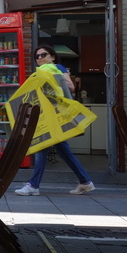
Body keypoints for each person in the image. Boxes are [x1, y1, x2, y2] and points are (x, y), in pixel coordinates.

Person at [15, 44, 96, 196]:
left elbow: (70, 86)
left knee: (41, 146)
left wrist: (52, 80)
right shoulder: (41, 72)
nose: (40, 58)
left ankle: (33, 185)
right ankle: (85, 182)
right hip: (49, 115)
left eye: (43, 54)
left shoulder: (57, 67)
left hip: (55, 116)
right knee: (64, 151)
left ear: (52, 56)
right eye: (37, 56)